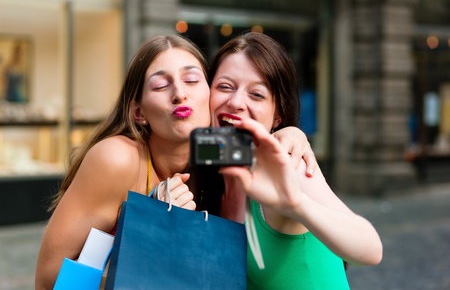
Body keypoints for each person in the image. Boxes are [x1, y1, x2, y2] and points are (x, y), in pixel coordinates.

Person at [35, 34, 316, 289]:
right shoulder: (117, 159)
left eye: (192, 80)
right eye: (160, 85)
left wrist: (292, 133)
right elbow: (48, 280)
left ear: (209, 94)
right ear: (138, 113)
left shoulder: (215, 149)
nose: (180, 93)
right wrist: (147, 224)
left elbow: (266, 142)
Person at [208, 32, 383, 289]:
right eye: (224, 86)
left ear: (277, 115)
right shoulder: (211, 170)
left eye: (256, 94)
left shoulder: (288, 165)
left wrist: (297, 204)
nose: (236, 102)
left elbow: (370, 249)